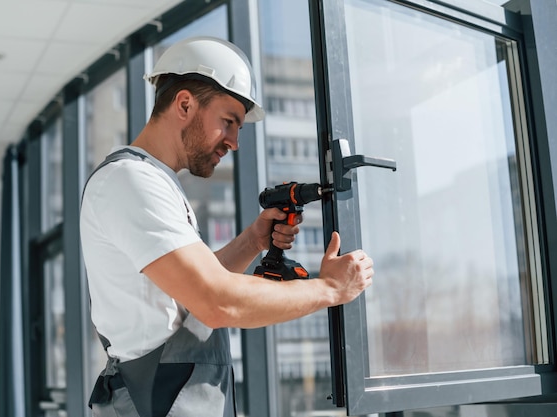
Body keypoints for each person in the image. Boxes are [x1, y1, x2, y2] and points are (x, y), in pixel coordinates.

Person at [80, 36, 374, 417]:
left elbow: (187, 297)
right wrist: (331, 288)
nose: (234, 142)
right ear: (184, 104)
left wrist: (253, 241)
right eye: (228, 122)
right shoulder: (130, 181)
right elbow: (215, 301)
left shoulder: (154, 181)